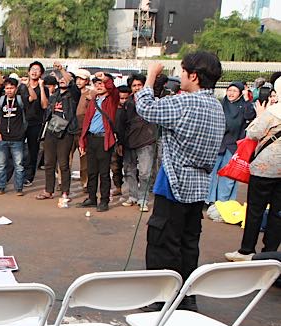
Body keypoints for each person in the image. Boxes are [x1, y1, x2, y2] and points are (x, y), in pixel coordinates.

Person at [136, 53, 225, 311]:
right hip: (199, 183)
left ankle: (162, 300)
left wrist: (151, 76)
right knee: (188, 243)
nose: (180, 76)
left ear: (193, 76)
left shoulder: (185, 104)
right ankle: (186, 298)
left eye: (183, 72)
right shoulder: (216, 106)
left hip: (174, 181)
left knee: (163, 241)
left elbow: (145, 108)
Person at [225, 78, 281, 262]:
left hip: (264, 170)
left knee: (255, 211)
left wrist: (260, 114)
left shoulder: (272, 112)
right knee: (277, 213)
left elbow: (253, 133)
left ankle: (246, 250)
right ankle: (269, 253)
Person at [207, 82, 256, 203]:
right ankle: (208, 199)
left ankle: (223, 201)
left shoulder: (244, 106)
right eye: (229, 90)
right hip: (217, 143)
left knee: (228, 174)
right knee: (211, 172)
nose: (231, 93)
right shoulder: (220, 104)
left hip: (234, 145)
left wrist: (246, 100)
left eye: (235, 91)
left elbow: (250, 115)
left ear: (240, 93)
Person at [38, 63, 79, 203]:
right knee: (49, 162)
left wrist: (62, 70)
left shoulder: (73, 94)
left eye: (64, 78)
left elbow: (70, 81)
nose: (62, 79)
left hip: (66, 132)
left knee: (63, 163)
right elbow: (45, 107)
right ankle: (49, 190)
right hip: (51, 130)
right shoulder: (54, 94)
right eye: (60, 78)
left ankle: (65, 192)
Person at [78, 72, 119, 212]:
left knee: (104, 173)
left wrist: (105, 78)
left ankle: (104, 200)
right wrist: (82, 141)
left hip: (104, 139)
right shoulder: (94, 100)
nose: (99, 86)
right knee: (92, 171)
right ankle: (92, 198)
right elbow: (86, 122)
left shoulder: (112, 99)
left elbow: (112, 88)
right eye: (96, 84)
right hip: (91, 138)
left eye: (101, 84)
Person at [120, 73, 158, 212]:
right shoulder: (127, 102)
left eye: (139, 85)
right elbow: (122, 123)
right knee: (129, 170)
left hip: (146, 141)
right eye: (134, 86)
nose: (137, 88)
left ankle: (143, 199)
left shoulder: (151, 101)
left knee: (145, 172)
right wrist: (120, 142)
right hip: (129, 141)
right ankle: (133, 196)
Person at [0, 77, 27, 195]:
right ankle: (1, 186)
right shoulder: (1, 100)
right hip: (2, 137)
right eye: (7, 88)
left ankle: (19, 188)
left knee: (19, 165)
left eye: (11, 88)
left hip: (17, 138)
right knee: (0, 165)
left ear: (16, 89)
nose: (9, 90)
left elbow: (33, 99)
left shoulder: (20, 99)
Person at [18, 62, 48, 185]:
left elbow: (44, 105)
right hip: (21, 122)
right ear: (28, 71)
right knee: (16, 148)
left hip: (36, 122)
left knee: (32, 150)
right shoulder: (22, 87)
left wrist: (41, 87)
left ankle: (29, 176)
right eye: (32, 69)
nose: (34, 71)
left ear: (41, 73)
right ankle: (16, 173)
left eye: (37, 70)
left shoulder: (44, 88)